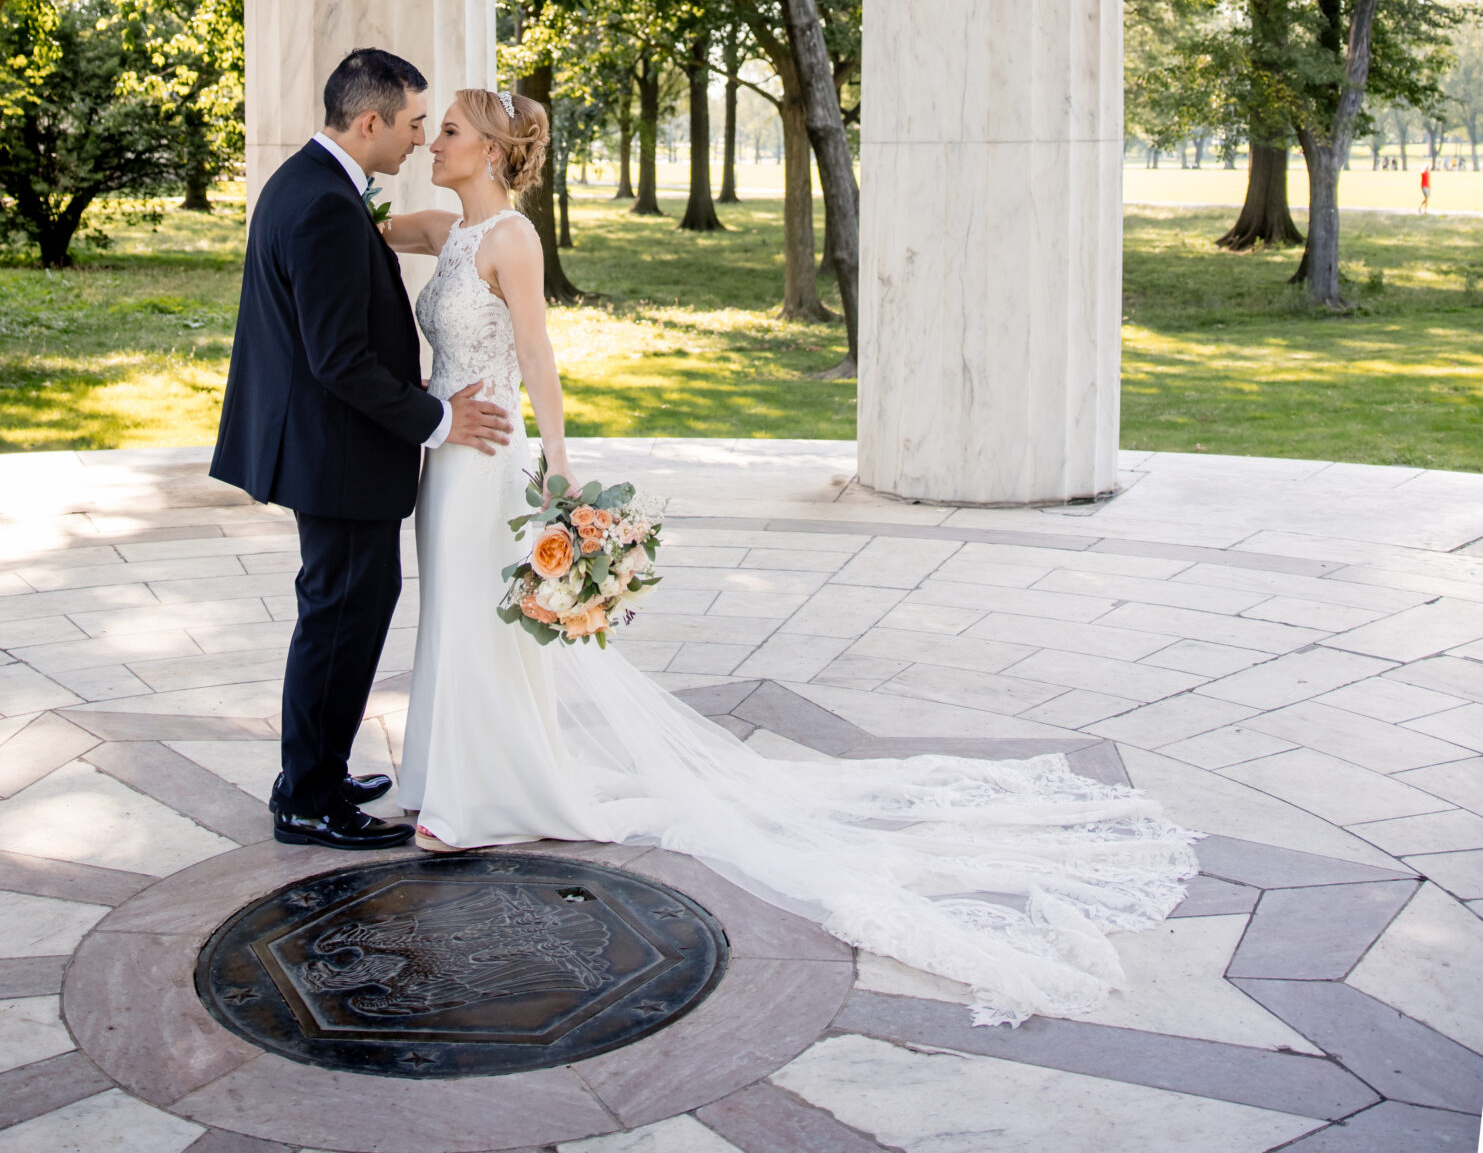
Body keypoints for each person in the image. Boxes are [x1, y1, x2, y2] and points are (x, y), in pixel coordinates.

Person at [383, 88, 1198, 1029]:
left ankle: (481, 797)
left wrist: (558, 467)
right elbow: (359, 219)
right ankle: (443, 775)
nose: (429, 142)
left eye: (445, 130)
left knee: (487, 624)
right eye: (430, 127)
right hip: (440, 458)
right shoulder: (444, 229)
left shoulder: (511, 241)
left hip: (488, 462)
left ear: (487, 150)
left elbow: (536, 348)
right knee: (447, 612)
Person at [210, 47, 513, 851]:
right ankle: (307, 799)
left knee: (342, 613)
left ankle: (318, 770)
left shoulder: (314, 186)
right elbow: (338, 358)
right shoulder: (322, 206)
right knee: (340, 619)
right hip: (338, 458)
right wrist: (438, 420)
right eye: (415, 124)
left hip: (330, 452)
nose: (419, 139)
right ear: (371, 121)